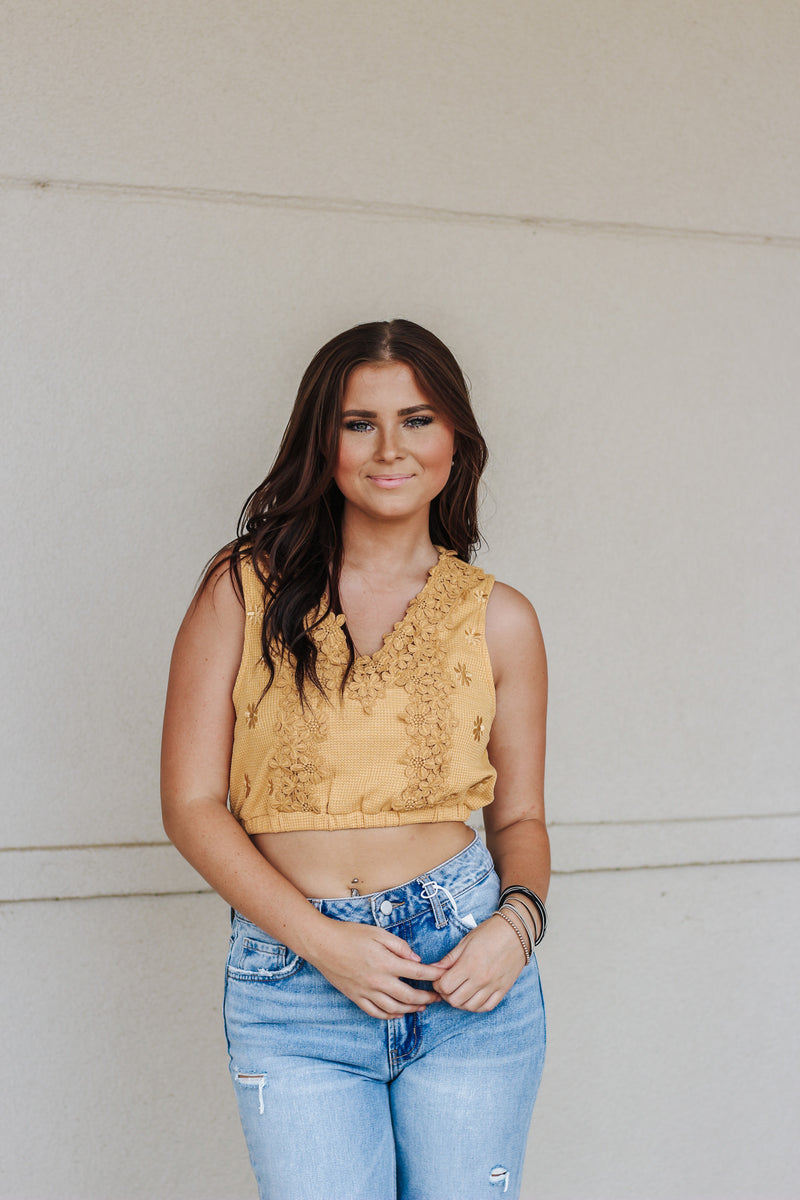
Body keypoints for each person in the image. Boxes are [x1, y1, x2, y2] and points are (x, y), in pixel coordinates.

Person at [161, 319, 549, 1200]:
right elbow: (190, 804)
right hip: (294, 980)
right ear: (322, 439)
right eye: (358, 423)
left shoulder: (501, 618)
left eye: (417, 420)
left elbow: (521, 818)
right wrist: (321, 942)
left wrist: (515, 928)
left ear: (456, 438)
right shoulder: (241, 588)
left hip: (465, 970)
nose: (389, 449)